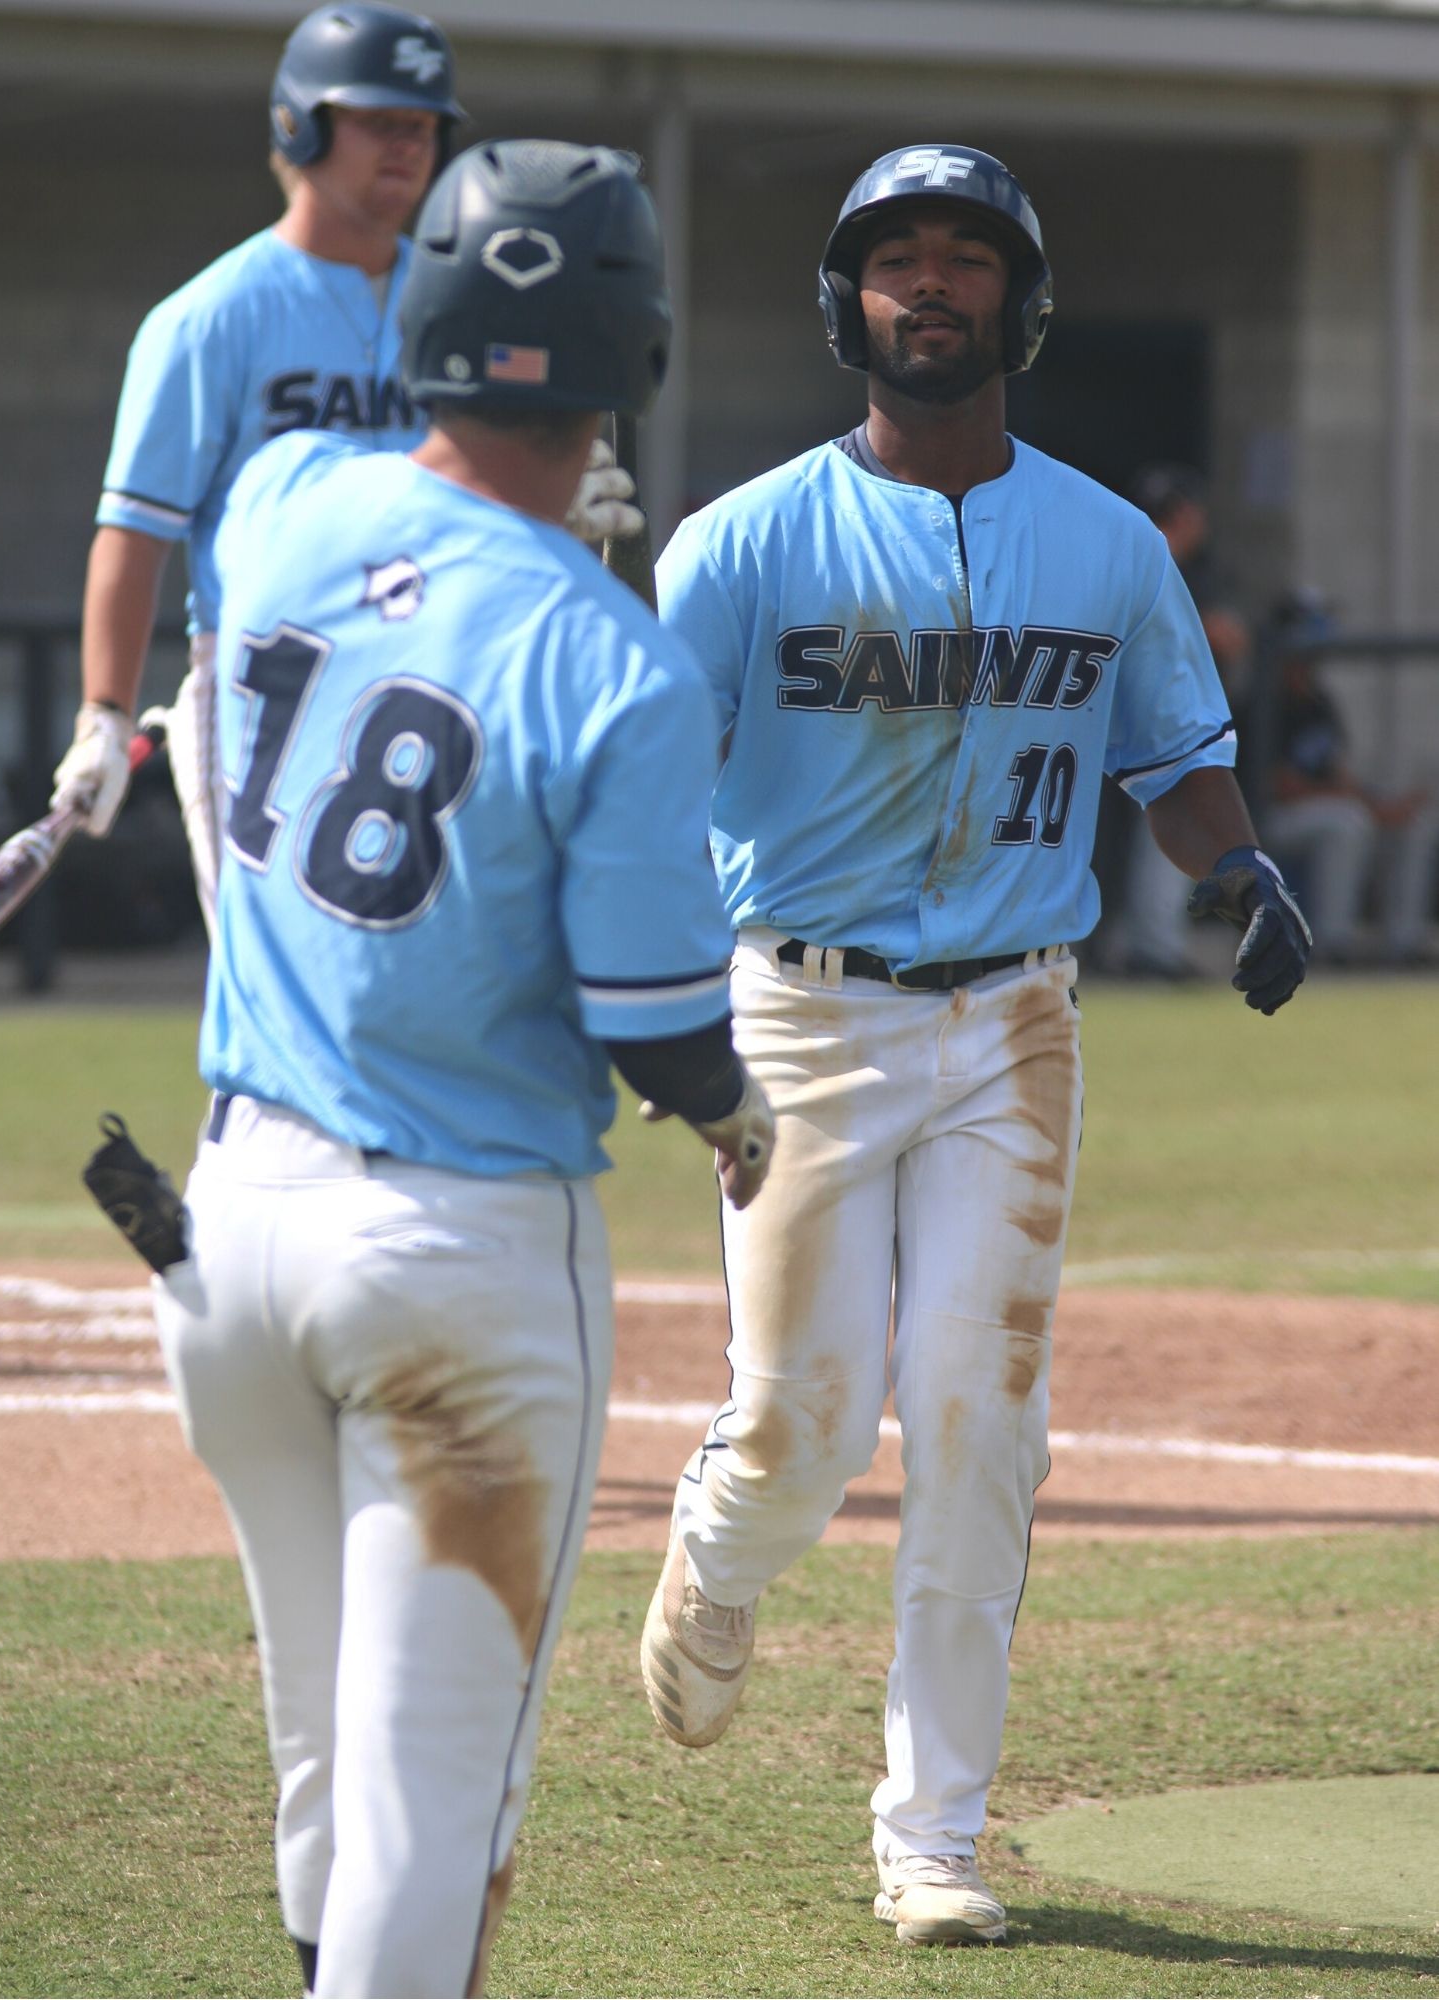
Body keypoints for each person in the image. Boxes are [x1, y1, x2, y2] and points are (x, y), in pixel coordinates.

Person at [637, 143, 1310, 1949]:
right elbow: (633, 779)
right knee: (799, 1423)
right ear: (844, 305)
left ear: (1023, 300)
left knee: (978, 1417)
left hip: (1015, 1018)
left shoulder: (1102, 541)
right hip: (797, 1011)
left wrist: (1240, 865)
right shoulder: (749, 537)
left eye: (965, 257)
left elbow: (1174, 761)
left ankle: (931, 1834)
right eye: (894, 260)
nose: (929, 285)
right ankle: (716, 1546)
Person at [151, 140, 774, 1999]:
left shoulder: (277, 496)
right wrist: (742, 1120)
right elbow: (652, 1016)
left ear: (418, 315)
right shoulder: (614, 657)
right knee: (438, 1819)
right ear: (627, 359)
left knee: (321, 1752)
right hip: (456, 1259)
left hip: (224, 1231)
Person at [47, 2, 639, 937]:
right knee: (287, 963)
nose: (407, 146)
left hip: (443, 667)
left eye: (423, 125)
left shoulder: (465, 304)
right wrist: (104, 714)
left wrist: (549, 499)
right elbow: (136, 533)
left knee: (447, 959)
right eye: (378, 121)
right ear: (303, 123)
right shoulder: (210, 316)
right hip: (269, 680)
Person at [1107, 462, 1254, 977]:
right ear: (1183, 513)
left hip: (1121, 720)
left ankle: (1145, 942)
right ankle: (1152, 948)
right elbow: (1225, 636)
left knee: (1149, 832)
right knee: (1169, 823)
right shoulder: (1157, 560)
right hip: (1149, 721)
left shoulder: (1126, 552)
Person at [1258, 589, 1439, 964]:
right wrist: (1357, 803)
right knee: (1348, 823)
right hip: (1266, 818)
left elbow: (1340, 776)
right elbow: (1280, 787)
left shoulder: (1321, 701)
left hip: (1323, 810)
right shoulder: (1262, 698)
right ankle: (1332, 943)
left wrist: (1383, 806)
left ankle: (1403, 943)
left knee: (1414, 823)